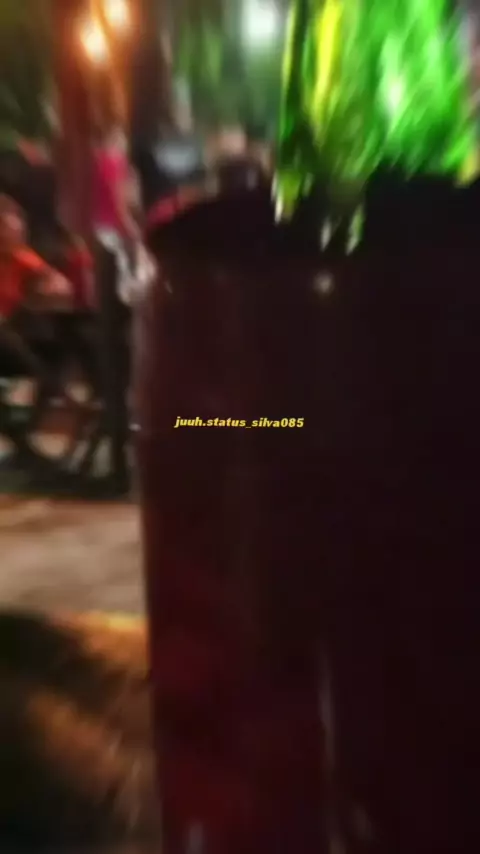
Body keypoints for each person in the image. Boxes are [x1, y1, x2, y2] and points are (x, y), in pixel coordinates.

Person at [0, 196, 70, 465]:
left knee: (56, 357)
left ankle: (23, 435)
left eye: (16, 229)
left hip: (10, 342)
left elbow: (59, 285)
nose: (14, 235)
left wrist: (46, 290)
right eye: (6, 230)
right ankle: (21, 440)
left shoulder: (22, 259)